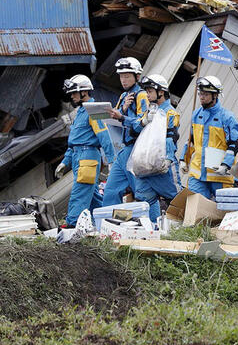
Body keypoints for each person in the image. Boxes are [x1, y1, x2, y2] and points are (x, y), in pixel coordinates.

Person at [56, 75, 116, 227]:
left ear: (84, 92)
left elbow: (104, 136)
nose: (72, 96)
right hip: (79, 156)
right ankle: (106, 222)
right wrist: (65, 162)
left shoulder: (95, 109)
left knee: (80, 192)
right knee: (93, 195)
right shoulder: (81, 112)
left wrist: (111, 160)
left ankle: (72, 224)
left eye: (74, 92)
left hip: (88, 156)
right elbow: (74, 142)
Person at [131, 74, 182, 220]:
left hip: (162, 164)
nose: (147, 95)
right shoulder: (149, 112)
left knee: (175, 199)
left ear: (161, 92)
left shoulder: (170, 113)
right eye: (146, 91)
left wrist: (169, 159)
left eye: (149, 91)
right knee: (143, 201)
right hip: (145, 165)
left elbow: (170, 139)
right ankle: (151, 230)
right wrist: (144, 121)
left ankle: (184, 229)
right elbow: (133, 130)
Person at [181, 76, 238, 199]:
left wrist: (226, 165)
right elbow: (191, 141)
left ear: (215, 95)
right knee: (194, 209)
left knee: (222, 211)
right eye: (200, 93)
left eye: (205, 94)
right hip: (197, 175)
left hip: (219, 174)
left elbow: (234, 145)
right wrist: (183, 160)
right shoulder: (196, 114)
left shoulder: (227, 117)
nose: (201, 97)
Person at [103, 57, 150, 206]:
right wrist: (122, 110)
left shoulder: (142, 95)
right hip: (123, 150)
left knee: (142, 192)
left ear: (137, 77)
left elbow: (144, 123)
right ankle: (108, 224)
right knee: (110, 191)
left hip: (136, 149)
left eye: (127, 76)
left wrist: (122, 116)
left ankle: (154, 224)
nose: (123, 80)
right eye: (121, 76)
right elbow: (115, 115)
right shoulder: (123, 96)